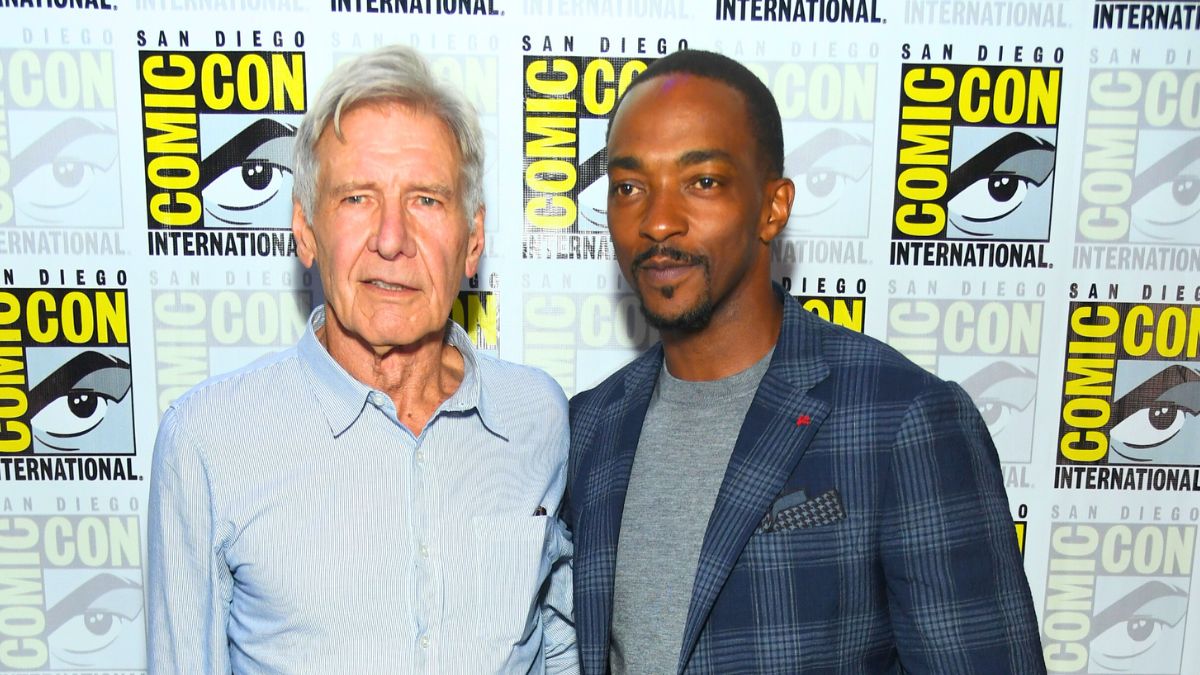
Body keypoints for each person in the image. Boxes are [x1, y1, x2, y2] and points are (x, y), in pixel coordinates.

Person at [565, 49, 1045, 674]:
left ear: (773, 208)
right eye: (630, 187)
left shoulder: (902, 419)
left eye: (702, 181)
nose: (658, 220)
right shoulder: (588, 426)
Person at [147, 45, 577, 674]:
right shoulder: (208, 439)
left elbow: (556, 645)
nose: (391, 239)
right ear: (305, 231)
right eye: (357, 198)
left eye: (426, 200)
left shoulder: (536, 415)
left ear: (473, 240)